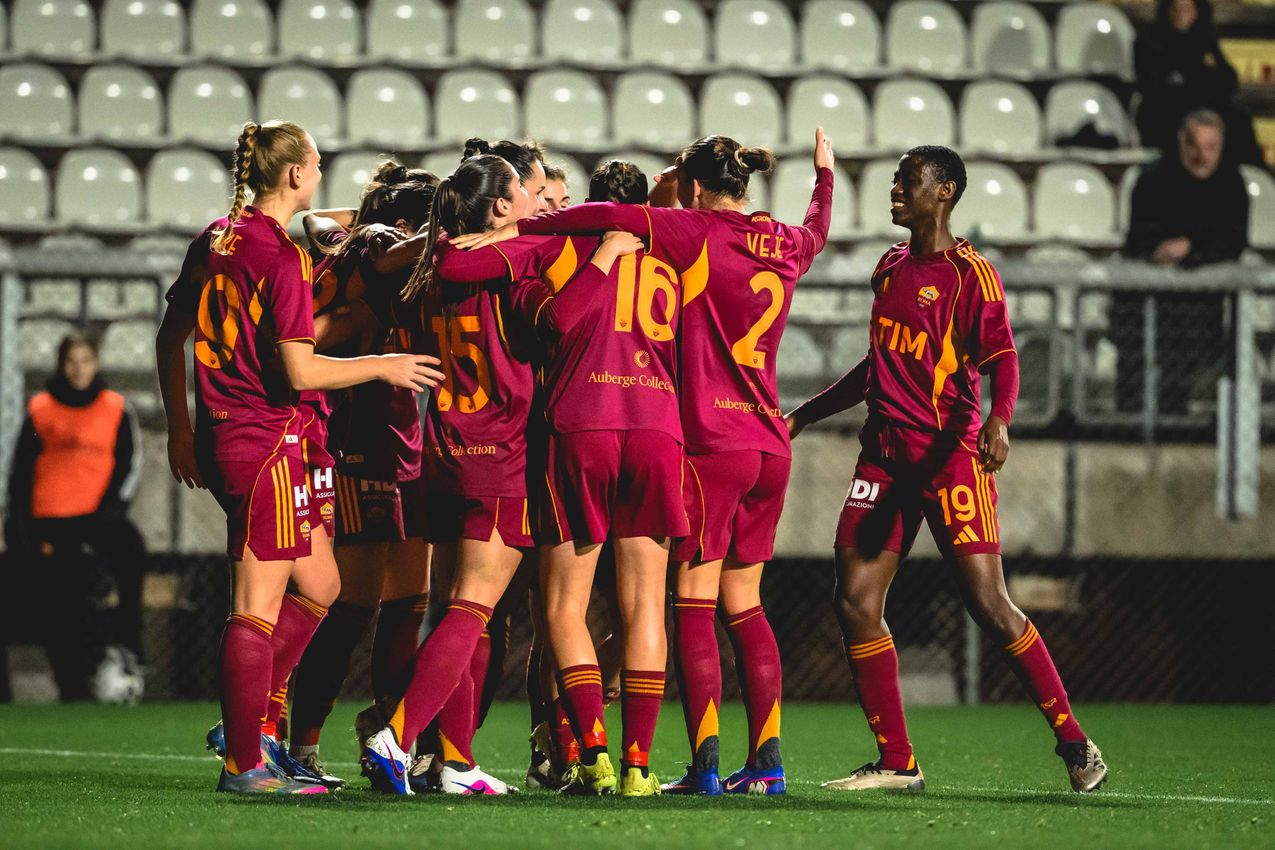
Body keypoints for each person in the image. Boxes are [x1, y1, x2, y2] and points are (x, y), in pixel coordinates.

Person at [454, 128, 835, 797]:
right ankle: (654, 764)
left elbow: (555, 261)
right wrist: (824, 178)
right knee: (672, 610)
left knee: (570, 607)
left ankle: (602, 754)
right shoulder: (741, 250)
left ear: (687, 188)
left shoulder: (631, 239)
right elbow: (814, 230)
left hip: (619, 431)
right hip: (707, 435)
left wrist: (507, 232)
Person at [785, 145, 1107, 795]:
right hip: (882, 452)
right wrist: (806, 413)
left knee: (988, 604)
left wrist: (1000, 419)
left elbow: (1003, 357)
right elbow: (877, 365)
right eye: (896, 180)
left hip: (946, 458)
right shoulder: (887, 266)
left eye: (908, 181)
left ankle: (1074, 743)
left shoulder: (970, 275)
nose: (894, 190)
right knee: (853, 598)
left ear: (945, 193)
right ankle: (896, 760)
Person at [155, 119, 442, 795]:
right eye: (314, 164)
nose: (319, 173)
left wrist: (180, 428)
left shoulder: (217, 238)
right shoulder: (278, 257)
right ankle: (243, 763)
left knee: (322, 586)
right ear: (293, 174)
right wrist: (383, 364)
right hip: (265, 438)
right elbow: (302, 371)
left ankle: (247, 721)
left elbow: (172, 334)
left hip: (240, 434)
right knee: (254, 604)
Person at [359, 152, 614, 796]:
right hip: (498, 455)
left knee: (455, 608)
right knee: (473, 607)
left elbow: (374, 259)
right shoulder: (513, 263)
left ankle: (454, 760)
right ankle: (397, 735)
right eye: (527, 192)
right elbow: (559, 321)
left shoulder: (429, 270)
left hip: (441, 451)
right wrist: (605, 259)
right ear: (500, 207)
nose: (539, 203)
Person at [281, 162, 438, 785]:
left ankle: (387, 734)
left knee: (409, 601)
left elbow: (316, 221)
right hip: (353, 442)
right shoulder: (369, 263)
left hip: (403, 438)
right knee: (354, 604)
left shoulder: (361, 247)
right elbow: (317, 339)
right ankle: (304, 743)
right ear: (397, 227)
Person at [4, 332, 145, 701]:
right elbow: (20, 475)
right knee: (61, 600)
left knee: (131, 549)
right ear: (61, 365)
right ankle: (70, 681)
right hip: (51, 519)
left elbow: (129, 466)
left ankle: (128, 642)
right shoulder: (41, 408)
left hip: (97, 518)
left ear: (95, 364)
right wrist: (22, 530)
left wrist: (108, 515)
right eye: (71, 361)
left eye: (85, 360)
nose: (78, 369)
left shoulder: (115, 407)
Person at [1116, 108, 1250, 415]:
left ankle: (1175, 418)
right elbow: (1137, 237)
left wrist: (1190, 248)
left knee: (1184, 357)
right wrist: (1157, 252)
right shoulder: (1152, 179)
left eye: (1211, 147)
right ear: (1181, 143)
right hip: (1147, 291)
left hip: (1198, 301)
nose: (1202, 155)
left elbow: (1234, 241)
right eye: (1195, 145)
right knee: (1130, 326)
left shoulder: (1231, 183)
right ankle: (1126, 417)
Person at [1133, 0, 1262, 166]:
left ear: (1197, 12)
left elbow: (1229, 81)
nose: (1181, 15)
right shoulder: (1149, 41)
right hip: (1166, 111)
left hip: (1204, 107)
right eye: (1176, 9)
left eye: (1186, 10)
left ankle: (1252, 178)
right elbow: (1153, 87)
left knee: (1239, 121)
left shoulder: (1204, 40)